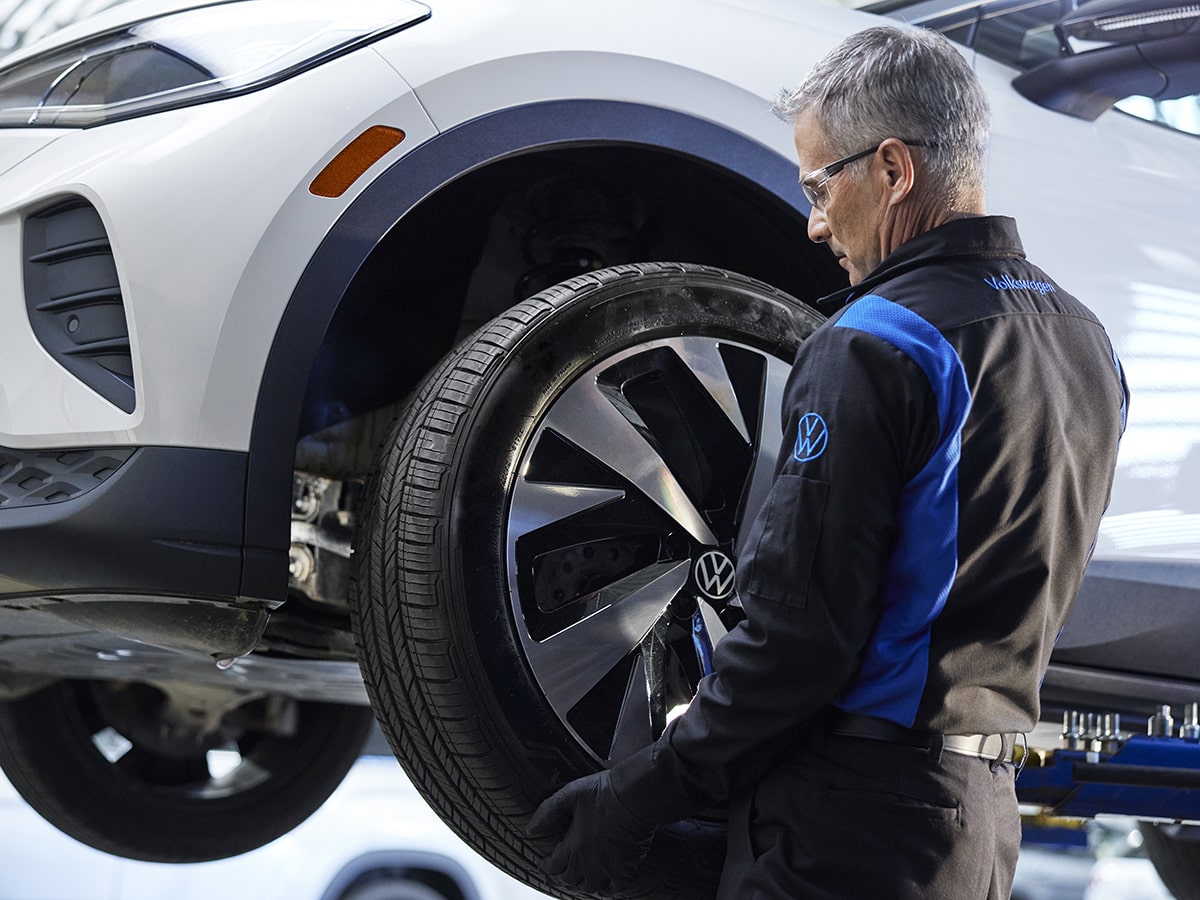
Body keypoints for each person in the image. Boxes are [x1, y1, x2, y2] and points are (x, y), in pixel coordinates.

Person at [527, 24, 1128, 900]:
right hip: (979, 824)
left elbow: (799, 637)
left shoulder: (876, 341)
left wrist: (641, 792)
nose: (812, 224)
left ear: (892, 169)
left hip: (852, 824)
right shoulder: (1086, 345)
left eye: (818, 183)